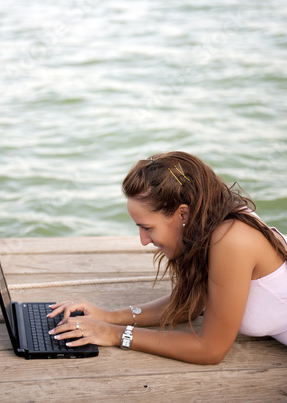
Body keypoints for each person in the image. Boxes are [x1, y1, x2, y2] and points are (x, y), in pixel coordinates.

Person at [48, 151, 287, 364]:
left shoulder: (231, 239)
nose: (143, 240)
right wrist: (109, 317)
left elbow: (210, 350)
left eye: (147, 228)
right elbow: (189, 306)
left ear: (182, 213)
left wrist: (114, 334)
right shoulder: (210, 224)